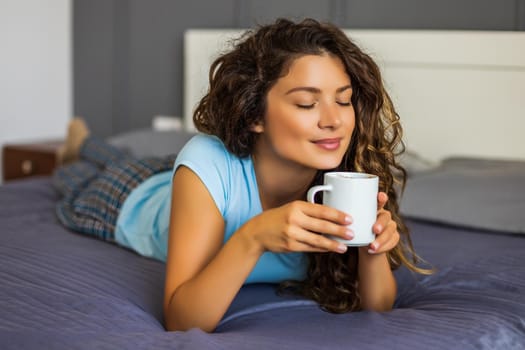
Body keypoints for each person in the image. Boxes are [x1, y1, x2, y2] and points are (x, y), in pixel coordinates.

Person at [53, 18, 430, 334]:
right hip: (135, 199)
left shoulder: (348, 176)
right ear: (254, 115)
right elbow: (181, 320)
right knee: (76, 179)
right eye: (306, 103)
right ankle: (77, 148)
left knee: (133, 158)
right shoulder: (207, 158)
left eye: (344, 100)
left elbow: (378, 309)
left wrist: (372, 250)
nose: (333, 120)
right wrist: (253, 237)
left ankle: (87, 143)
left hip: (192, 180)